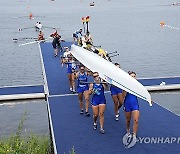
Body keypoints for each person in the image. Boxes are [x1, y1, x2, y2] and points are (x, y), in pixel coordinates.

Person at [123, 71, 139, 141]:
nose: (133, 78)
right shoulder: (125, 85)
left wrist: (149, 99)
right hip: (127, 104)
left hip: (135, 104)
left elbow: (143, 93)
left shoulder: (137, 85)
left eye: (134, 76)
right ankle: (128, 131)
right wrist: (126, 89)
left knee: (136, 120)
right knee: (128, 120)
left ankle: (134, 135)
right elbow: (123, 96)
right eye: (131, 76)